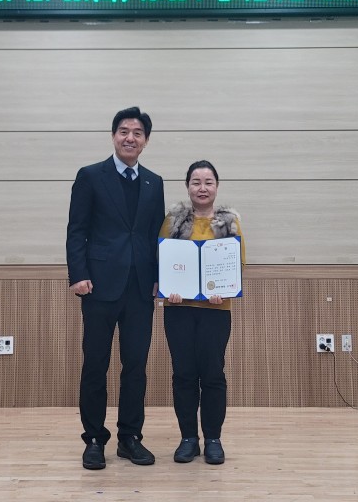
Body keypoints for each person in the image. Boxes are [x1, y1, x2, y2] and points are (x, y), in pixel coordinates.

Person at [66, 106, 165, 470]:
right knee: (95, 364)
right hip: (98, 286)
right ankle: (94, 439)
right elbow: (77, 229)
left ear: (146, 141)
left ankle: (130, 437)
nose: (130, 138)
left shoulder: (154, 182)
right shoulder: (91, 176)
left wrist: (161, 278)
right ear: (113, 136)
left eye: (137, 133)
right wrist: (78, 274)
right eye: (124, 131)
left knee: (135, 366)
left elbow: (156, 235)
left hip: (140, 289)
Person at [161, 160, 244, 465]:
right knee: (183, 374)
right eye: (196, 182)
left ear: (217, 187)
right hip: (178, 309)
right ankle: (188, 439)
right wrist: (168, 287)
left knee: (212, 375)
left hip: (216, 310)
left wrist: (226, 287)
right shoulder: (173, 221)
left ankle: (212, 439)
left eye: (208, 182)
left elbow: (238, 263)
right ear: (187, 187)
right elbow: (162, 260)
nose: (202, 188)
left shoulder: (230, 222)